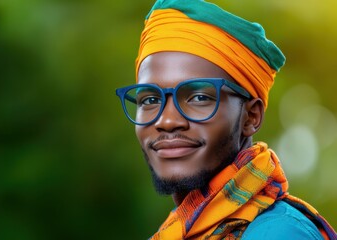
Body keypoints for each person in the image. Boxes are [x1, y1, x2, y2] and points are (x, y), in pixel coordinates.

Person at [115, 0, 337, 239]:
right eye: (150, 100)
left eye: (198, 97)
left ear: (251, 116)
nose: (167, 121)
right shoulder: (180, 230)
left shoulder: (277, 232)